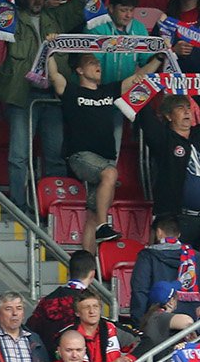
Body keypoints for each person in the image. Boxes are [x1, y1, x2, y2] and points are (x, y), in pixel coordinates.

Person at [47, 52, 162, 248]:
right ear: (80, 70)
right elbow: (54, 75)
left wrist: (158, 58)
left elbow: (138, 78)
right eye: (92, 62)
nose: (97, 65)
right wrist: (49, 49)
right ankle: (103, 225)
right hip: (80, 156)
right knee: (110, 174)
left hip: (105, 158)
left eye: (98, 62)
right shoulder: (72, 90)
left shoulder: (108, 90)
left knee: (92, 214)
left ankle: (87, 267)